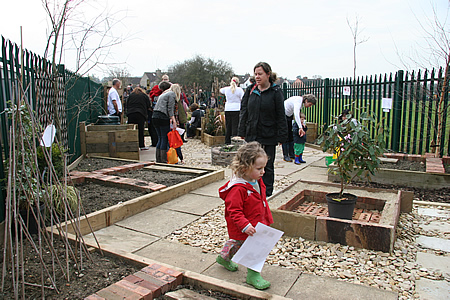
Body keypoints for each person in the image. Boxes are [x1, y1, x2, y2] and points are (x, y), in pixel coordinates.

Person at [216, 141, 273, 290]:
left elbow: (261, 200)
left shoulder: (256, 181)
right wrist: (245, 225)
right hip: (245, 225)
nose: (263, 172)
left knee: (238, 244)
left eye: (264, 168)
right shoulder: (238, 189)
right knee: (254, 249)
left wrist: (266, 218)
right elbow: (234, 210)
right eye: (259, 168)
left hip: (257, 222)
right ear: (244, 168)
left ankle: (224, 257)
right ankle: (253, 275)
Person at [238, 62, 288, 197]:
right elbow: (244, 110)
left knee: (267, 165)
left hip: (269, 134)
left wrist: (282, 136)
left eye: (260, 74)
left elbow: (280, 115)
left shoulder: (276, 92)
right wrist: (242, 131)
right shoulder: (250, 90)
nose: (257, 76)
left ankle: (266, 193)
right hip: (252, 133)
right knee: (250, 162)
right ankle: (251, 190)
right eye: (255, 74)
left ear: (268, 74)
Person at [282, 94, 317, 162]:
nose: (309, 106)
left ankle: (291, 154)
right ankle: (286, 155)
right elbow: (296, 114)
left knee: (290, 136)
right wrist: (300, 127)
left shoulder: (300, 102)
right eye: (310, 104)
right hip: (283, 115)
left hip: (289, 115)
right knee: (285, 136)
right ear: (306, 100)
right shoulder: (298, 101)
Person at [152, 81, 176, 163]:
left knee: (160, 138)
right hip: (162, 117)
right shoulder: (172, 94)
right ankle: (163, 159)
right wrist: (173, 120)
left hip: (155, 115)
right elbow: (170, 108)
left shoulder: (163, 95)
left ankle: (158, 158)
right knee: (164, 138)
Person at [148, 75, 171, 147]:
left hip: (157, 114)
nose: (165, 80)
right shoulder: (159, 90)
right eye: (164, 79)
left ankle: (160, 156)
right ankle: (163, 156)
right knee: (163, 137)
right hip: (162, 114)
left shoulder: (169, 89)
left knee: (162, 138)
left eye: (166, 79)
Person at [220, 77, 244, 144]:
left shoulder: (226, 89)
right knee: (235, 126)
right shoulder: (239, 90)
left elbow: (220, 90)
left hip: (228, 109)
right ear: (237, 82)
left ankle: (227, 141)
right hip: (237, 108)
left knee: (228, 126)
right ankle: (234, 141)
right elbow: (243, 98)